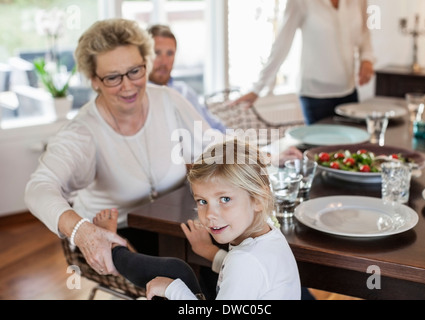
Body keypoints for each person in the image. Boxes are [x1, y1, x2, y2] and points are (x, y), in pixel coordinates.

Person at [24, 18, 217, 276]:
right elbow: (38, 189)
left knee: (232, 260)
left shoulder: (167, 99)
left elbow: (212, 144)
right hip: (119, 234)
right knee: (187, 275)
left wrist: (269, 157)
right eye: (113, 77)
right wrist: (82, 231)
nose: (128, 86)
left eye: (135, 71)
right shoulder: (83, 130)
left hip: (173, 222)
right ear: (94, 79)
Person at [145, 138, 302, 300]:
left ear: (259, 199)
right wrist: (209, 251)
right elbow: (247, 274)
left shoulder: (244, 263)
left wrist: (172, 289)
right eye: (202, 201)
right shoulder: (267, 233)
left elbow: (243, 268)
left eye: (225, 199)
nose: (209, 214)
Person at [233, 0, 375, 125]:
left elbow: (364, 32)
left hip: (349, 91)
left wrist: (367, 59)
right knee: (322, 152)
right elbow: (281, 45)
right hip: (316, 96)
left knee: (354, 149)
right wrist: (257, 88)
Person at [147, 24, 227, 133]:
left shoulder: (185, 92)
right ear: (144, 55)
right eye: (157, 53)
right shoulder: (140, 97)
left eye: (170, 53)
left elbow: (215, 126)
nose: (164, 61)